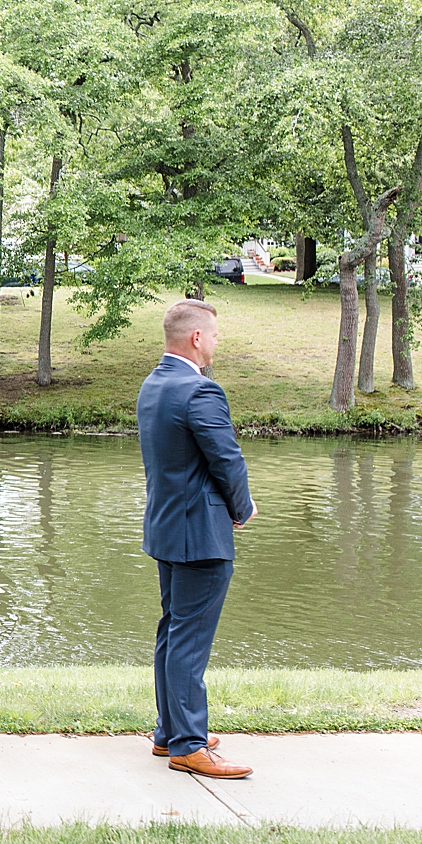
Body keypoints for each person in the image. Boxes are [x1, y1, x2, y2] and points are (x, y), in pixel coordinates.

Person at [137, 300, 256, 779]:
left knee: (172, 630)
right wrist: (242, 508)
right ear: (196, 339)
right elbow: (226, 458)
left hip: (166, 525)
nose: (216, 342)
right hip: (200, 534)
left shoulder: (154, 384)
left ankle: (170, 732)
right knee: (188, 637)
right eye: (214, 335)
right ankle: (188, 744)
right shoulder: (201, 391)